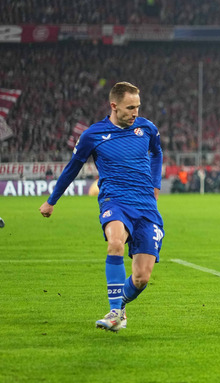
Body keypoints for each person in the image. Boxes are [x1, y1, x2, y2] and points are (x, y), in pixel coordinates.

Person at [39, 82, 164, 333]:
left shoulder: (147, 128)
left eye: (138, 107)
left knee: (141, 279)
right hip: (114, 201)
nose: (135, 112)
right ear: (114, 106)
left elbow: (157, 153)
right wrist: (52, 200)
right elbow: (72, 168)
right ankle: (115, 313)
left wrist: (155, 185)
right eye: (130, 107)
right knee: (115, 242)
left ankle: (122, 304)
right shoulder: (93, 135)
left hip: (146, 206)